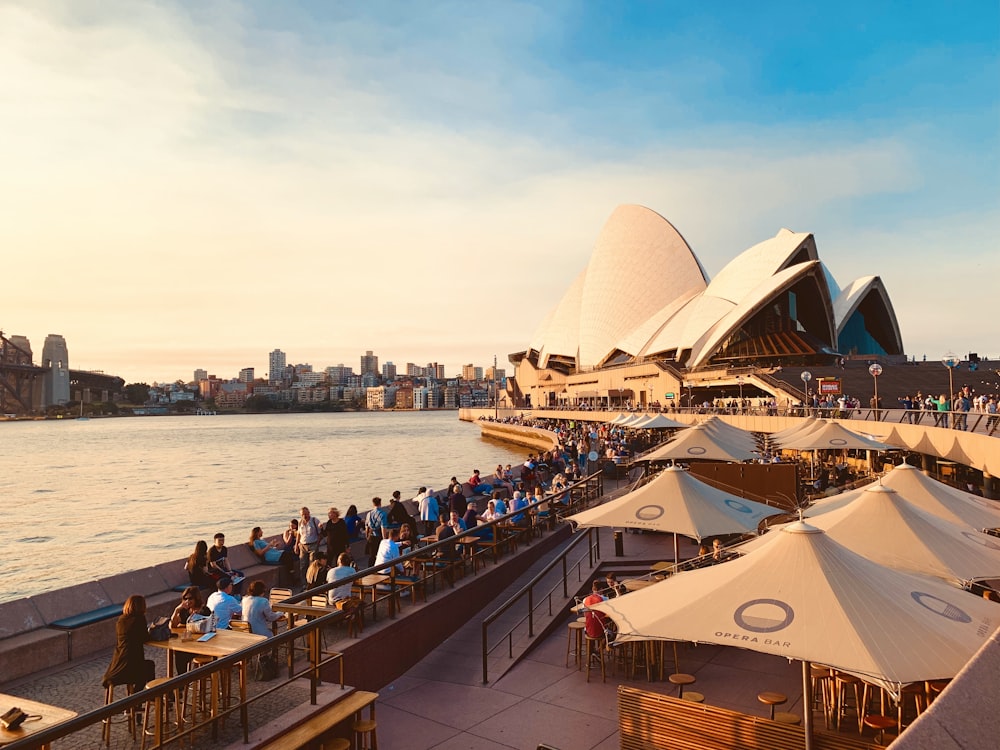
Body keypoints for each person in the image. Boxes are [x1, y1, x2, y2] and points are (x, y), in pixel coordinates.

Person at [102, 594, 155, 693]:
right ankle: (143, 696)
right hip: (130, 667)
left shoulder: (121, 620)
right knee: (149, 667)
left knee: (144, 668)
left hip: (117, 666)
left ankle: (136, 700)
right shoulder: (139, 619)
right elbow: (145, 638)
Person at [169, 586, 209, 674]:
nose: (188, 601)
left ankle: (184, 680)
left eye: (190, 598)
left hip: (201, 644)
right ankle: (182, 680)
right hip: (188, 643)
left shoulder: (204, 610)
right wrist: (176, 611)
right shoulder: (184, 611)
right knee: (179, 653)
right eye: (185, 598)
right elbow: (172, 625)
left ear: (196, 598)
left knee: (180, 655)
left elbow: (209, 627)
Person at [297, 507, 322, 580]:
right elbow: (298, 534)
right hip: (303, 545)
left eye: (306, 514)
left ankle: (311, 581)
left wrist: (317, 543)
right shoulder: (300, 522)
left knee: (312, 564)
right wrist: (296, 545)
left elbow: (320, 533)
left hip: (313, 545)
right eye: (303, 514)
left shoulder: (314, 520)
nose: (304, 516)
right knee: (302, 565)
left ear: (309, 513)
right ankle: (304, 583)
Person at [365, 497, 388, 567]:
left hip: (371, 537)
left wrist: (367, 536)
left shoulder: (369, 514)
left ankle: (369, 571)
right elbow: (383, 527)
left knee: (372, 556)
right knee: (380, 555)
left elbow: (367, 526)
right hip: (379, 537)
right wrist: (384, 539)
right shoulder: (383, 514)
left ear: (373, 504)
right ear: (380, 503)